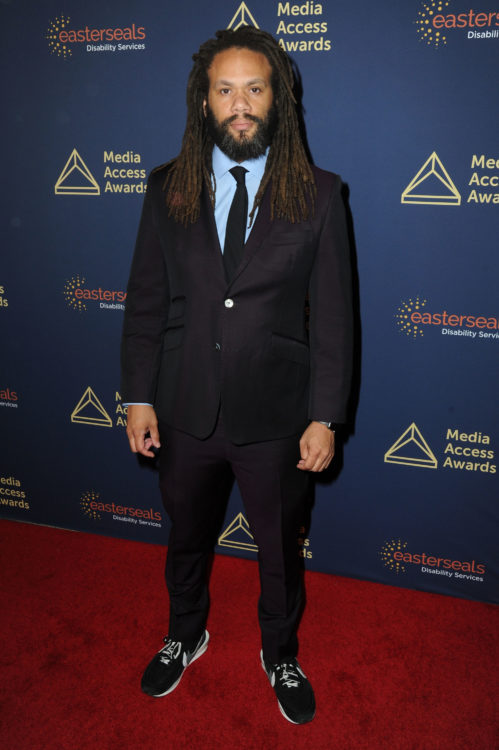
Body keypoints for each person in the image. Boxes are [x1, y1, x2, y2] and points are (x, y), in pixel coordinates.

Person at [121, 25, 353, 725]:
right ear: (202, 101)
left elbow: (336, 318)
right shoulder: (167, 187)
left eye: (255, 89)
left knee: (279, 548)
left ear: (277, 100)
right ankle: (185, 634)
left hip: (276, 416)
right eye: (225, 90)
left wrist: (324, 415)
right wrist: (136, 395)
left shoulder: (318, 193)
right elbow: (146, 301)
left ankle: (278, 651)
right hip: (182, 404)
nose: (240, 104)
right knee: (185, 535)